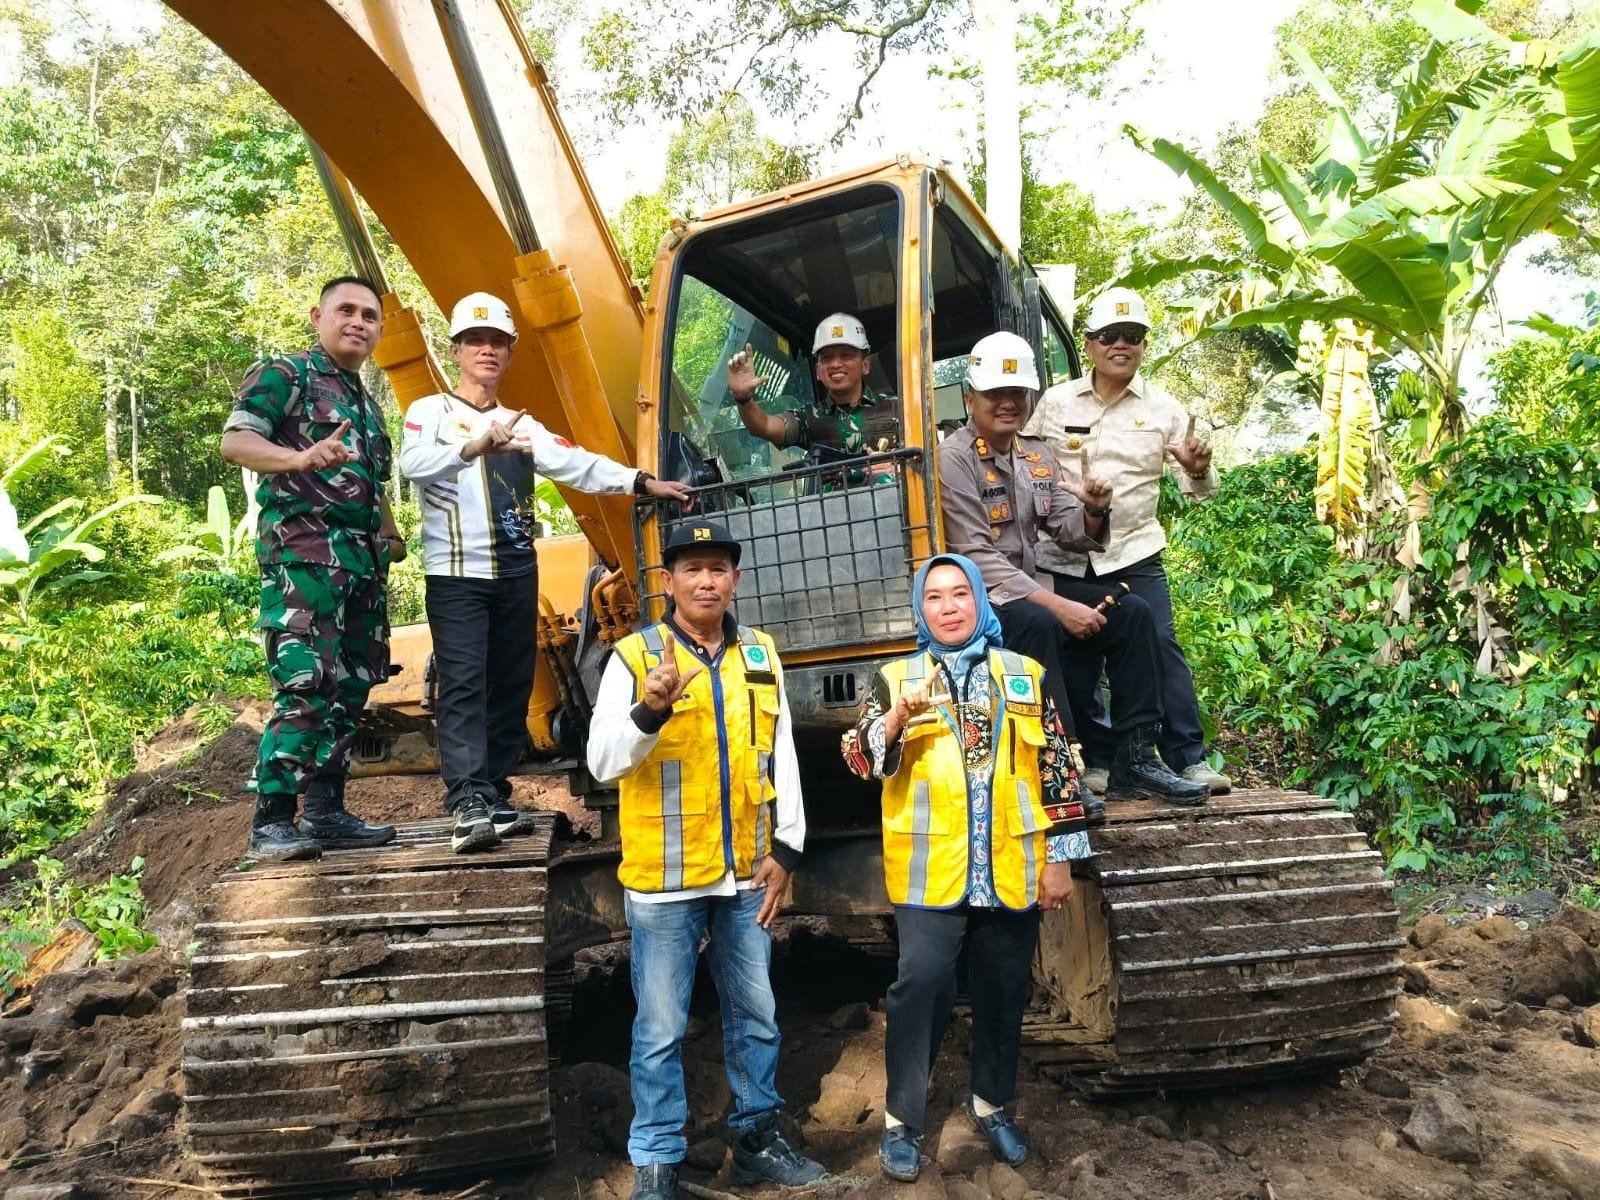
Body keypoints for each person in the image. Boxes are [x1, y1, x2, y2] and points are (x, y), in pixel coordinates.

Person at [399, 292, 691, 854]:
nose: (487, 351)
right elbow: (412, 465)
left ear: (509, 355)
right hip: (457, 574)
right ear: (456, 350)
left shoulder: (523, 424)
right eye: (476, 342)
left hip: (515, 572)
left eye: (497, 344)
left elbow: (578, 462)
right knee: (464, 683)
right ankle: (466, 799)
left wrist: (640, 481)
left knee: (510, 682)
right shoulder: (430, 413)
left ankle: (494, 790)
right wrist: (473, 445)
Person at [586, 521, 827, 1200]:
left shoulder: (759, 652)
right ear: (668, 583)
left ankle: (755, 1139)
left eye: (718, 568)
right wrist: (650, 711)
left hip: (747, 873)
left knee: (757, 1015)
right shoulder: (634, 657)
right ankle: (657, 1161)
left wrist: (786, 847)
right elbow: (603, 763)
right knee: (660, 1027)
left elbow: (780, 754)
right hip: (665, 881)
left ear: (735, 580)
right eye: (691, 569)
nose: (705, 580)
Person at [840, 554, 1091, 1182]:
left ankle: (991, 1106)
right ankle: (902, 1122)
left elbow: (1056, 768)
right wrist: (897, 717)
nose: (948, 606)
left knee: (1005, 989)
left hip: (1009, 862)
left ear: (980, 600)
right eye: (935, 597)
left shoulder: (1023, 673)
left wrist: (1060, 861)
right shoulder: (896, 677)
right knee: (920, 984)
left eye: (960, 594)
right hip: (930, 866)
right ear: (920, 609)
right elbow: (859, 760)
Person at [938, 331, 1207, 806]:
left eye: (1016, 393)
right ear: (969, 398)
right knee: (1040, 621)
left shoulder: (1035, 454)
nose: (1007, 404)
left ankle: (1136, 759)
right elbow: (976, 555)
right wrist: (1061, 605)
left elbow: (1068, 528)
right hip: (981, 600)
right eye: (994, 394)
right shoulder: (952, 459)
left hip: (1031, 586)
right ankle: (1058, 770)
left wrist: (1096, 509)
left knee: (1135, 614)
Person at [220, 276, 405, 861]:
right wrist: (298, 457)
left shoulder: (367, 405)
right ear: (316, 316)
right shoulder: (286, 374)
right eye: (346, 310)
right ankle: (272, 820)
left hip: (361, 567)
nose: (358, 322)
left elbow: (370, 485)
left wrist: (389, 532)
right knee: (304, 684)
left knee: (350, 687)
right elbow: (235, 442)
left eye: (370, 315)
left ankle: (325, 812)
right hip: (304, 558)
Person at [1023, 287, 1230, 795]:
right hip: (1064, 553)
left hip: (1133, 550)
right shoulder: (1054, 402)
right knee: (1077, 656)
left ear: (1143, 345)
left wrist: (1199, 472)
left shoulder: (1164, 409)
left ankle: (1188, 758)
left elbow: (1200, 489)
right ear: (1090, 344)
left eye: (1133, 337)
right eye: (1110, 336)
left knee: (1159, 644)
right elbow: (1022, 459)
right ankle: (1100, 760)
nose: (1122, 345)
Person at [726, 313, 898, 486]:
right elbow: (763, 426)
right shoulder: (808, 418)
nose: (836, 364)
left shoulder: (898, 409)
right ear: (818, 370)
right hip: (827, 510)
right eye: (827, 358)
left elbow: (923, 456)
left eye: (846, 355)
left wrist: (896, 468)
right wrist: (743, 399)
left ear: (865, 365)